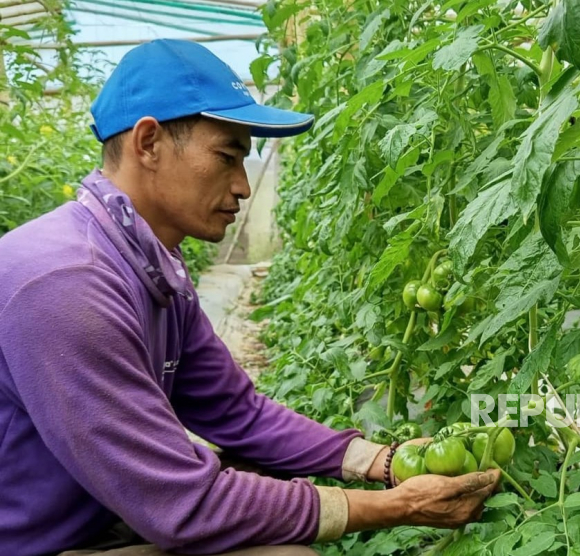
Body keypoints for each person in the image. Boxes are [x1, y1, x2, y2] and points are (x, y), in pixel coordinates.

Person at [0, 39, 500, 556]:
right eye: (226, 156)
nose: (242, 186)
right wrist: (399, 506)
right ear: (148, 143)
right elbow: (184, 506)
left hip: (102, 513)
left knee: (258, 480)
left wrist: (381, 461)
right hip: (38, 544)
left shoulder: (150, 267)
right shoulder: (63, 284)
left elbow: (238, 413)